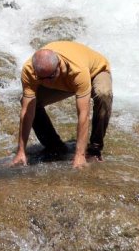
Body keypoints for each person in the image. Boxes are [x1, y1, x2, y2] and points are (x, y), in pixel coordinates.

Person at [8, 41, 112, 169]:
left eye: (49, 77)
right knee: (29, 103)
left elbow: (83, 114)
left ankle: (95, 148)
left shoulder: (77, 70)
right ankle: (55, 146)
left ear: (59, 65)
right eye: (40, 78)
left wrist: (79, 155)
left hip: (94, 72)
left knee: (104, 94)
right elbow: (26, 111)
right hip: (64, 81)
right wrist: (21, 152)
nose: (45, 82)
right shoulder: (29, 70)